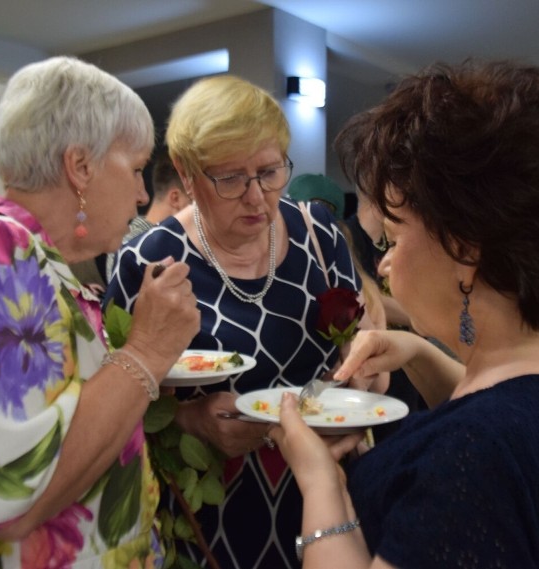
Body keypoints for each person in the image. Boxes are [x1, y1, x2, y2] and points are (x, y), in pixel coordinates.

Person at [270, 59, 539, 568]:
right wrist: (414, 350)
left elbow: (485, 440)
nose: (387, 263)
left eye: (393, 239)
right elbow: (506, 406)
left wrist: (320, 484)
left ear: (463, 246)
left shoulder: (473, 460)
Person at [0, 56, 200, 567]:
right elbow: (14, 494)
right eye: (136, 169)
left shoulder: (19, 256)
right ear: (81, 167)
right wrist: (149, 349)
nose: (142, 194)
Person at [104, 74, 378, 569]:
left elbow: (354, 346)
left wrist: (363, 373)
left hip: (328, 498)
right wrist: (190, 421)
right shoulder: (149, 261)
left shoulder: (320, 235)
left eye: (270, 171)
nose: (256, 197)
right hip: (209, 520)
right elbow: (114, 407)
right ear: (186, 174)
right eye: (230, 179)